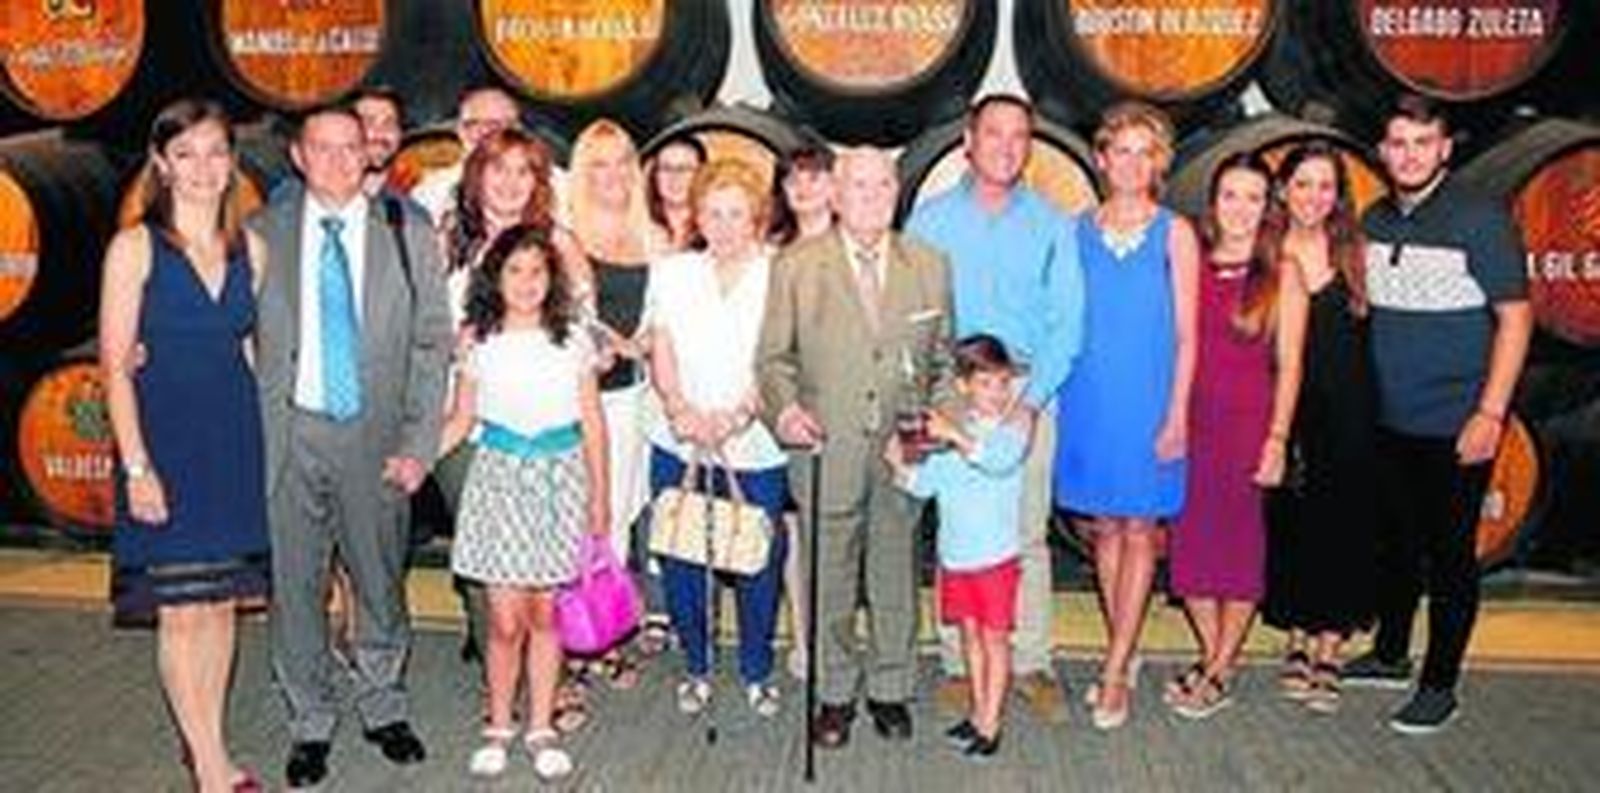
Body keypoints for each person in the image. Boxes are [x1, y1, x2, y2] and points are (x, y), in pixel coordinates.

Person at [252, 104, 452, 789]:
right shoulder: (262, 232)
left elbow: (432, 342)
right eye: (322, 147)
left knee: (378, 577)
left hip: (377, 435)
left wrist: (419, 443)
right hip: (291, 433)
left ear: (369, 153)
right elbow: (228, 322)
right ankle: (309, 719)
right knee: (296, 585)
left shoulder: (405, 229)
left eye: (350, 147)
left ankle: (383, 704)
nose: (338, 160)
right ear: (298, 156)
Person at [1343, 95, 1532, 734]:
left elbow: (1515, 319)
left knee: (1450, 557)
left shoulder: (1479, 219)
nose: (1410, 155)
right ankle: (1391, 653)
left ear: (1445, 148)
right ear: (1382, 150)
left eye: (1423, 143)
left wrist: (1491, 413)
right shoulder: (1375, 220)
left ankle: (1440, 685)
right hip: (1389, 418)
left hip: (1456, 421)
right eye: (1398, 143)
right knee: (1396, 545)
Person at [100, 98, 270, 793]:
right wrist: (137, 466)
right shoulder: (134, 248)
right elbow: (116, 368)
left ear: (232, 162)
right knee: (179, 608)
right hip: (164, 443)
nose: (203, 167)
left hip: (234, 440)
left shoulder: (251, 249)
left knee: (220, 603)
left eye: (216, 152)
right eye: (186, 153)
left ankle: (210, 741)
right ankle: (209, 765)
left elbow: (255, 354)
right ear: (162, 164)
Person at [757, 146, 953, 749]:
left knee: (895, 573)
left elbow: (944, 361)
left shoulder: (930, 264)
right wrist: (785, 410)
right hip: (824, 449)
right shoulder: (796, 265)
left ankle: (892, 689)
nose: (871, 196)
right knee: (830, 578)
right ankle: (834, 694)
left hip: (901, 449)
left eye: (883, 185)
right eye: (859, 186)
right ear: (836, 196)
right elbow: (772, 360)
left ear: (898, 193)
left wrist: (923, 432)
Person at [905, 93, 1084, 723]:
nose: (1006, 146)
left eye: (1018, 136)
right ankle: (959, 663)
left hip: (1026, 392)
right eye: (994, 133)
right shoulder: (928, 221)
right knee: (955, 529)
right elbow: (915, 316)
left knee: (1025, 533)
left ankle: (1030, 660)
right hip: (953, 393)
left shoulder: (1053, 224)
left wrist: (1029, 403)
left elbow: (1068, 323)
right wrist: (928, 399)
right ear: (968, 141)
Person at [439, 226, 608, 780]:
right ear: (495, 278)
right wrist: (412, 458)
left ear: (552, 278)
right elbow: (460, 420)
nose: (527, 282)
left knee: (544, 615)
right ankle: (498, 724)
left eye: (537, 271)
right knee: (504, 621)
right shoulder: (477, 342)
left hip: (560, 480)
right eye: (514, 270)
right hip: (499, 480)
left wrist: (600, 499)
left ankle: (540, 725)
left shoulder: (573, 340)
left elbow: (593, 423)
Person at [436, 128, 593, 720]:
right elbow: (421, 323)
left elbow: (583, 329)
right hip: (464, 420)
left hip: (542, 428)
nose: (509, 182)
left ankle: (554, 678)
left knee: (547, 562)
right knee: (489, 561)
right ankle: (498, 679)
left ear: (538, 182)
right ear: (477, 175)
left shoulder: (558, 243)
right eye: (497, 169)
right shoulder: (448, 240)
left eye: (523, 171)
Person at [1053, 101, 1199, 730]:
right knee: (1105, 530)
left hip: (1150, 400)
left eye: (1146, 152)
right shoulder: (1074, 230)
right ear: (1102, 157)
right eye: (1123, 150)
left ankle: (1114, 671)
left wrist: (1178, 415)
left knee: (1139, 528)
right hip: (1090, 398)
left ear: (1159, 162)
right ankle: (1125, 646)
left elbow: (1189, 336)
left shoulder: (1176, 232)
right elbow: (1061, 319)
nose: (1134, 163)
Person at [645, 158, 790, 718]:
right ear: (697, 216)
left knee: (757, 563)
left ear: (757, 216)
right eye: (713, 213)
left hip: (753, 445)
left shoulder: (780, 274)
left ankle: (757, 668)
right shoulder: (673, 271)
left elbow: (781, 357)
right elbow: (661, 345)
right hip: (678, 438)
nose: (724, 225)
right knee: (682, 557)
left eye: (736, 213)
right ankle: (697, 665)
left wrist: (736, 417)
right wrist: (679, 409)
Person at [1258, 141, 1380, 716]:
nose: (1313, 196)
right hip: (1285, 407)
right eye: (1302, 184)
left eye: (1326, 186)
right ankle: (1297, 636)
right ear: (1283, 190)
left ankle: (1330, 643)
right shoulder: (1264, 251)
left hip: (1350, 408)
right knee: (1291, 521)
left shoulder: (1356, 254)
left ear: (1339, 195)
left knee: (1342, 522)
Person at [1164, 151, 1279, 719]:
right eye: (1230, 195)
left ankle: (1217, 669)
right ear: (1213, 203)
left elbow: (1293, 367)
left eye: (1253, 197)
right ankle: (1216, 657)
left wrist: (1277, 439)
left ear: (1267, 207)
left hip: (1248, 426)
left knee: (1238, 551)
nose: (1240, 208)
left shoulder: (1281, 273)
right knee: (1191, 548)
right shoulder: (1193, 261)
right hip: (1193, 420)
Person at [885, 334, 1032, 760]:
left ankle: (991, 721)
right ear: (964, 386)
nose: (997, 393)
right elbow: (926, 486)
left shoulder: (1011, 431)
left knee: (994, 640)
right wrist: (899, 463)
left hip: (996, 561)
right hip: (956, 558)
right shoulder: (952, 437)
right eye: (986, 383)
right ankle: (978, 710)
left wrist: (953, 434)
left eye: (1003, 383)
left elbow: (995, 461)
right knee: (970, 636)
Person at [566, 118, 662, 684]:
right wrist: (613, 344)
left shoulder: (654, 236)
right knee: (573, 517)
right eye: (598, 163)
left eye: (622, 160)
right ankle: (567, 640)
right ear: (583, 171)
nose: (612, 174)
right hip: (574, 399)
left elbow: (664, 316)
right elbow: (567, 315)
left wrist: (641, 344)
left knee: (618, 516)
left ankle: (604, 631)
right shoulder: (564, 234)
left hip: (629, 396)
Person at [410, 86, 521, 223]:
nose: (483, 132)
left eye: (494, 124)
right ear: (459, 130)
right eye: (472, 124)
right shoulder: (431, 191)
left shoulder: (543, 184)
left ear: (516, 130)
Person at [645, 133, 706, 252]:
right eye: (666, 168)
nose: (675, 177)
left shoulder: (717, 227)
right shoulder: (636, 226)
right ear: (654, 175)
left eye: (684, 169)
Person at [768, 143, 835, 247]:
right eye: (793, 181)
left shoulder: (851, 241)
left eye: (813, 179)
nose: (803, 189)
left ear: (833, 184)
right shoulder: (773, 248)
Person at [350, 86, 406, 199]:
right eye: (369, 122)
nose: (380, 132)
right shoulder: (315, 200)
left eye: (389, 123)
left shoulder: (408, 209)